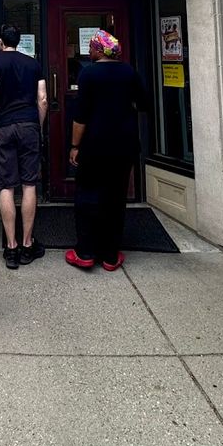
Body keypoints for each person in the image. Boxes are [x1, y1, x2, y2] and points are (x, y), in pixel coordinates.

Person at [65, 30, 148, 272]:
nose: (88, 51)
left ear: (100, 50)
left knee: (88, 196)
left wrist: (74, 146)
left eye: (91, 47)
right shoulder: (129, 71)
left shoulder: (88, 73)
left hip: (95, 144)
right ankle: (111, 256)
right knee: (116, 197)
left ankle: (86, 253)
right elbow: (143, 103)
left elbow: (80, 115)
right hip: (125, 145)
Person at [0, 24, 47, 269]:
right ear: (19, 41)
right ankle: (28, 244)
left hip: (3, 127)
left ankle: (12, 247)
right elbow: (43, 99)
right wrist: (37, 126)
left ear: (0, 42)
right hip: (28, 125)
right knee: (29, 185)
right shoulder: (33, 64)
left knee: (6, 186)